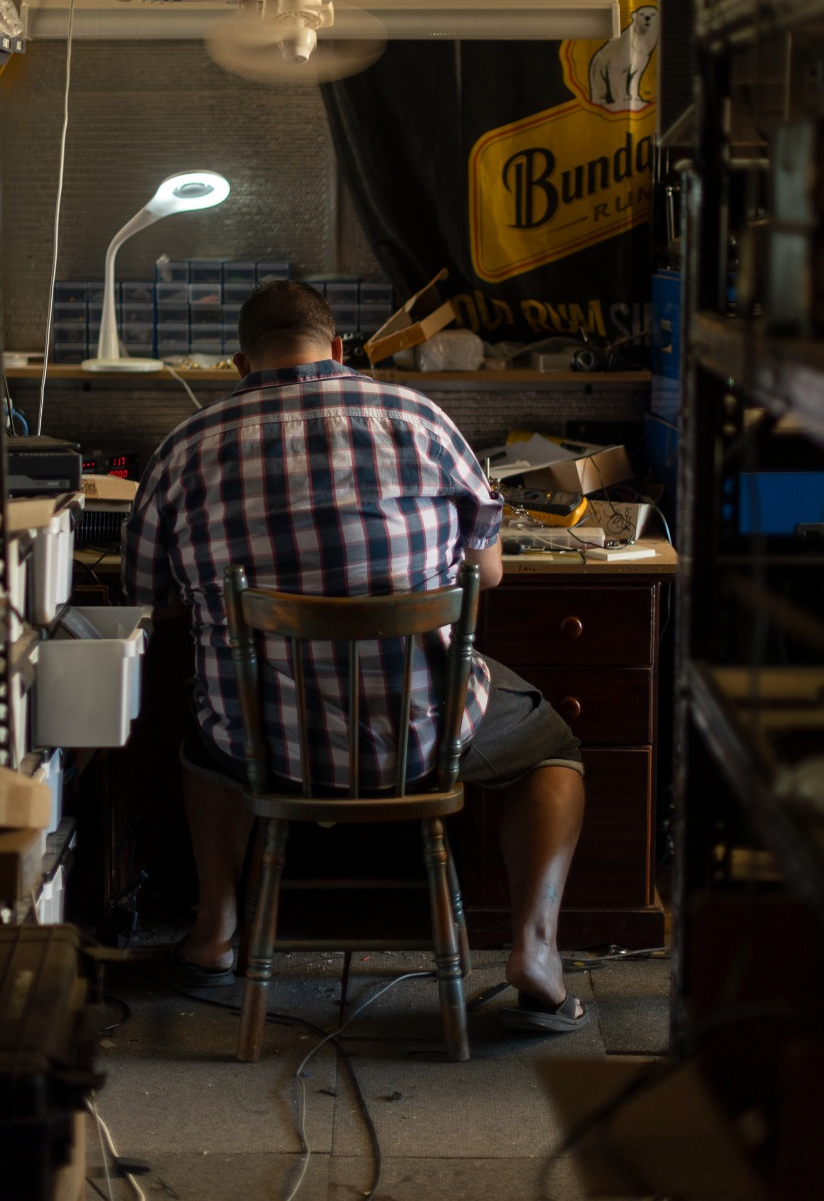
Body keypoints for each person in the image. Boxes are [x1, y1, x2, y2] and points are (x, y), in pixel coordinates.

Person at [123, 280, 587, 1029]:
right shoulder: (420, 419)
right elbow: (489, 572)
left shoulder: (186, 447)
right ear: (339, 349)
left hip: (264, 749)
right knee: (554, 749)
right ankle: (536, 947)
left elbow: (149, 595)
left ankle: (213, 932)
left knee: (201, 733)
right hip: (425, 742)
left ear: (242, 362)